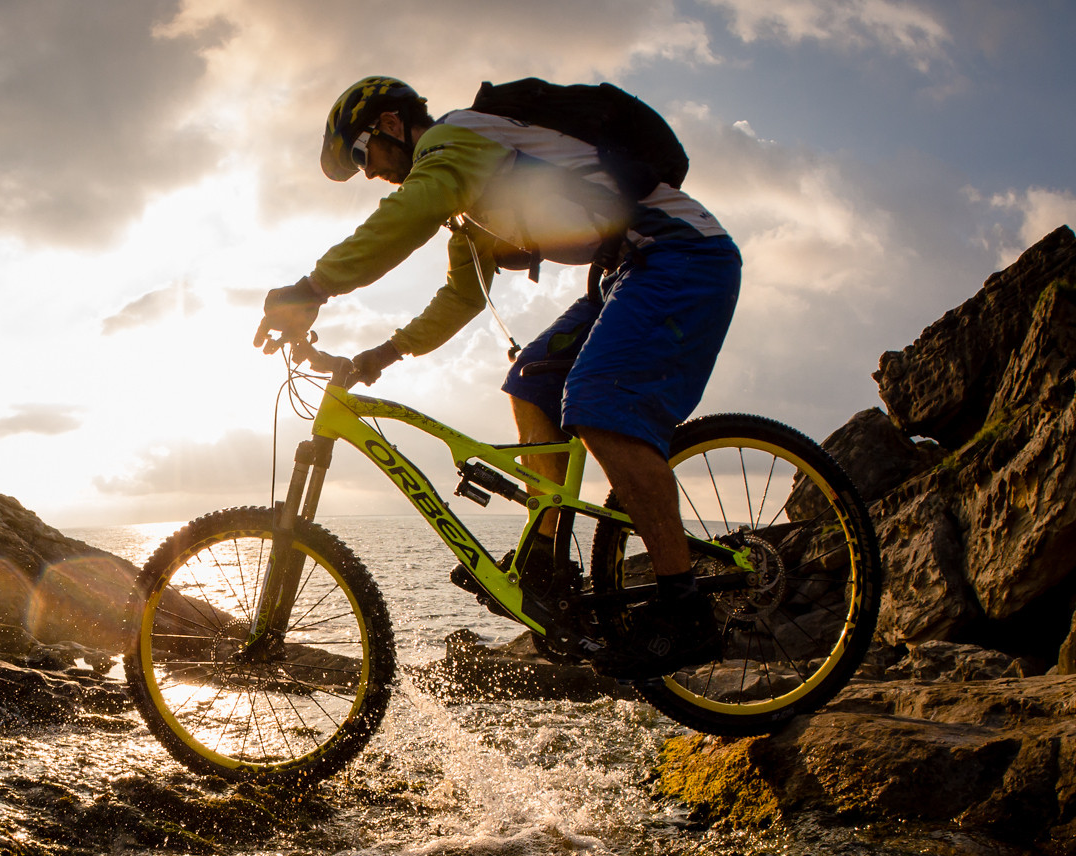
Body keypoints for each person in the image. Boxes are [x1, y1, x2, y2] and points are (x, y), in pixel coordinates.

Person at [253, 76, 742, 678]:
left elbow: (404, 218)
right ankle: (547, 561)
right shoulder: (465, 195)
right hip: (631, 269)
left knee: (593, 402)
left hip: (681, 252)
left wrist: (311, 289)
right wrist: (380, 354)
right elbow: (462, 295)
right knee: (532, 381)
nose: (371, 173)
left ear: (389, 124)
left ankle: (683, 607)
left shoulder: (458, 139)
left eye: (362, 156)